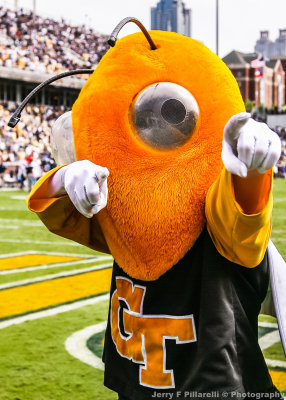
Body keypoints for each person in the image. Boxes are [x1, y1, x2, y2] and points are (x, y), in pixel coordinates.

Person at [25, 26, 282, 399]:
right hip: (138, 386)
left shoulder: (219, 227)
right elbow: (64, 214)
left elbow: (243, 218)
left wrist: (252, 171)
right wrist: (63, 178)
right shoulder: (122, 214)